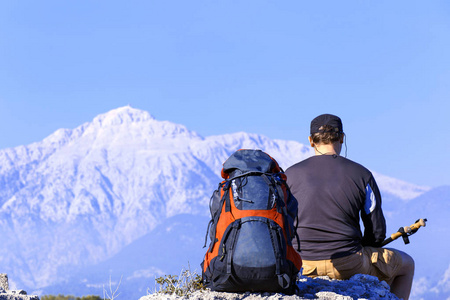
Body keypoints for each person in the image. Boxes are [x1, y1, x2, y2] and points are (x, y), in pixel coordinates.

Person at [285, 114, 415, 300]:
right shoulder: (362, 174)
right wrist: (366, 247)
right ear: (342, 138)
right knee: (407, 265)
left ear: (311, 141)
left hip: (302, 264)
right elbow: (377, 232)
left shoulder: (289, 175)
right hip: (348, 263)